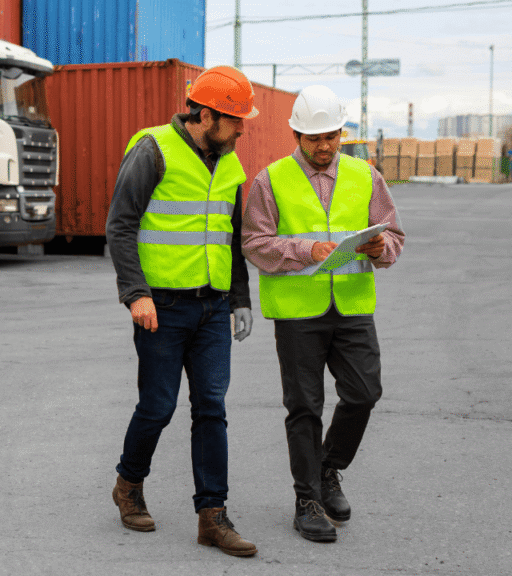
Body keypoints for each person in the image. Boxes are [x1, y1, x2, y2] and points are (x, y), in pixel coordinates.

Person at [241, 85, 405, 543]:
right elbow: (254, 243)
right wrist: (305, 249)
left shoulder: (366, 176)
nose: (324, 146)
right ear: (296, 135)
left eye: (331, 136)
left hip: (352, 307)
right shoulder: (270, 181)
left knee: (364, 394)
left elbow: (394, 236)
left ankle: (328, 468)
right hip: (298, 314)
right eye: (314, 138)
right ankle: (307, 500)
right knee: (304, 407)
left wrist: (380, 247)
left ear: (341, 132)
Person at [106, 65, 258, 557]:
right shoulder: (153, 150)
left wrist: (239, 298)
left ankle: (212, 516)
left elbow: (231, 237)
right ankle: (129, 484)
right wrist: (136, 293)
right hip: (162, 307)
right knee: (158, 406)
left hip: (213, 307)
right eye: (236, 119)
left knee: (212, 408)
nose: (242, 129)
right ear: (206, 115)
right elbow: (120, 225)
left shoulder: (230, 163)